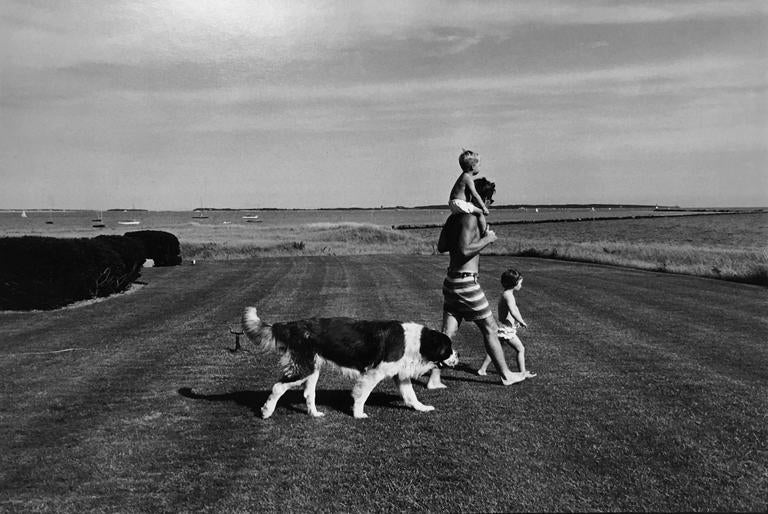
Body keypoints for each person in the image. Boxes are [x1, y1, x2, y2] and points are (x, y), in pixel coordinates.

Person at [428, 176, 527, 388]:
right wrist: (487, 240)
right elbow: (464, 251)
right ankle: (506, 375)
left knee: (447, 334)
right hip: (466, 284)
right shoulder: (470, 218)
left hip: (451, 282)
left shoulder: (452, 218)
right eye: (489, 200)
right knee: (490, 328)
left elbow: (443, 246)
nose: (489, 205)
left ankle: (434, 379)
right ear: (482, 198)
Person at [477, 268, 536, 379]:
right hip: (506, 329)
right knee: (520, 349)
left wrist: (515, 322)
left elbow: (514, 309)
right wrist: (521, 321)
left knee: (495, 349)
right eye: (520, 283)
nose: (521, 286)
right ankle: (522, 373)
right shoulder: (508, 295)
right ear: (514, 284)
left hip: (504, 327)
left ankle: (482, 369)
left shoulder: (507, 294)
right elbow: (513, 310)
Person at [448, 149, 489, 236]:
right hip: (460, 203)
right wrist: (484, 207)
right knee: (480, 213)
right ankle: (485, 233)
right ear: (473, 167)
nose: (480, 167)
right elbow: (475, 194)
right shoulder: (468, 178)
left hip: (453, 204)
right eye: (479, 165)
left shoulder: (463, 176)